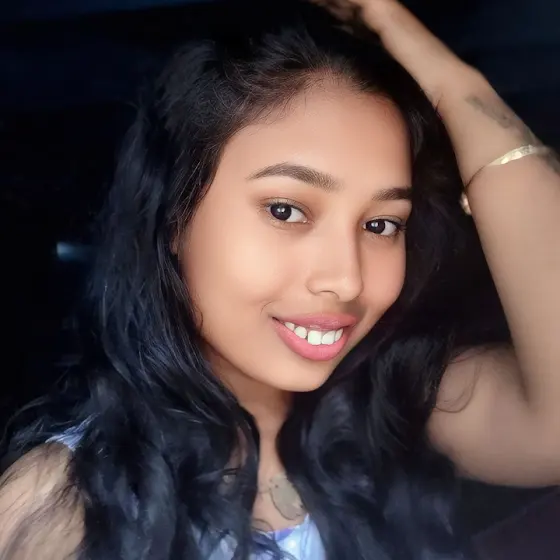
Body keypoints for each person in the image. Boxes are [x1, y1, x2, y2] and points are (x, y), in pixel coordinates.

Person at [1, 0, 559, 558]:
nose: (346, 279)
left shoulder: (399, 410)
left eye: (381, 224)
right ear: (172, 217)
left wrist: (451, 79)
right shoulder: (64, 503)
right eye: (286, 211)